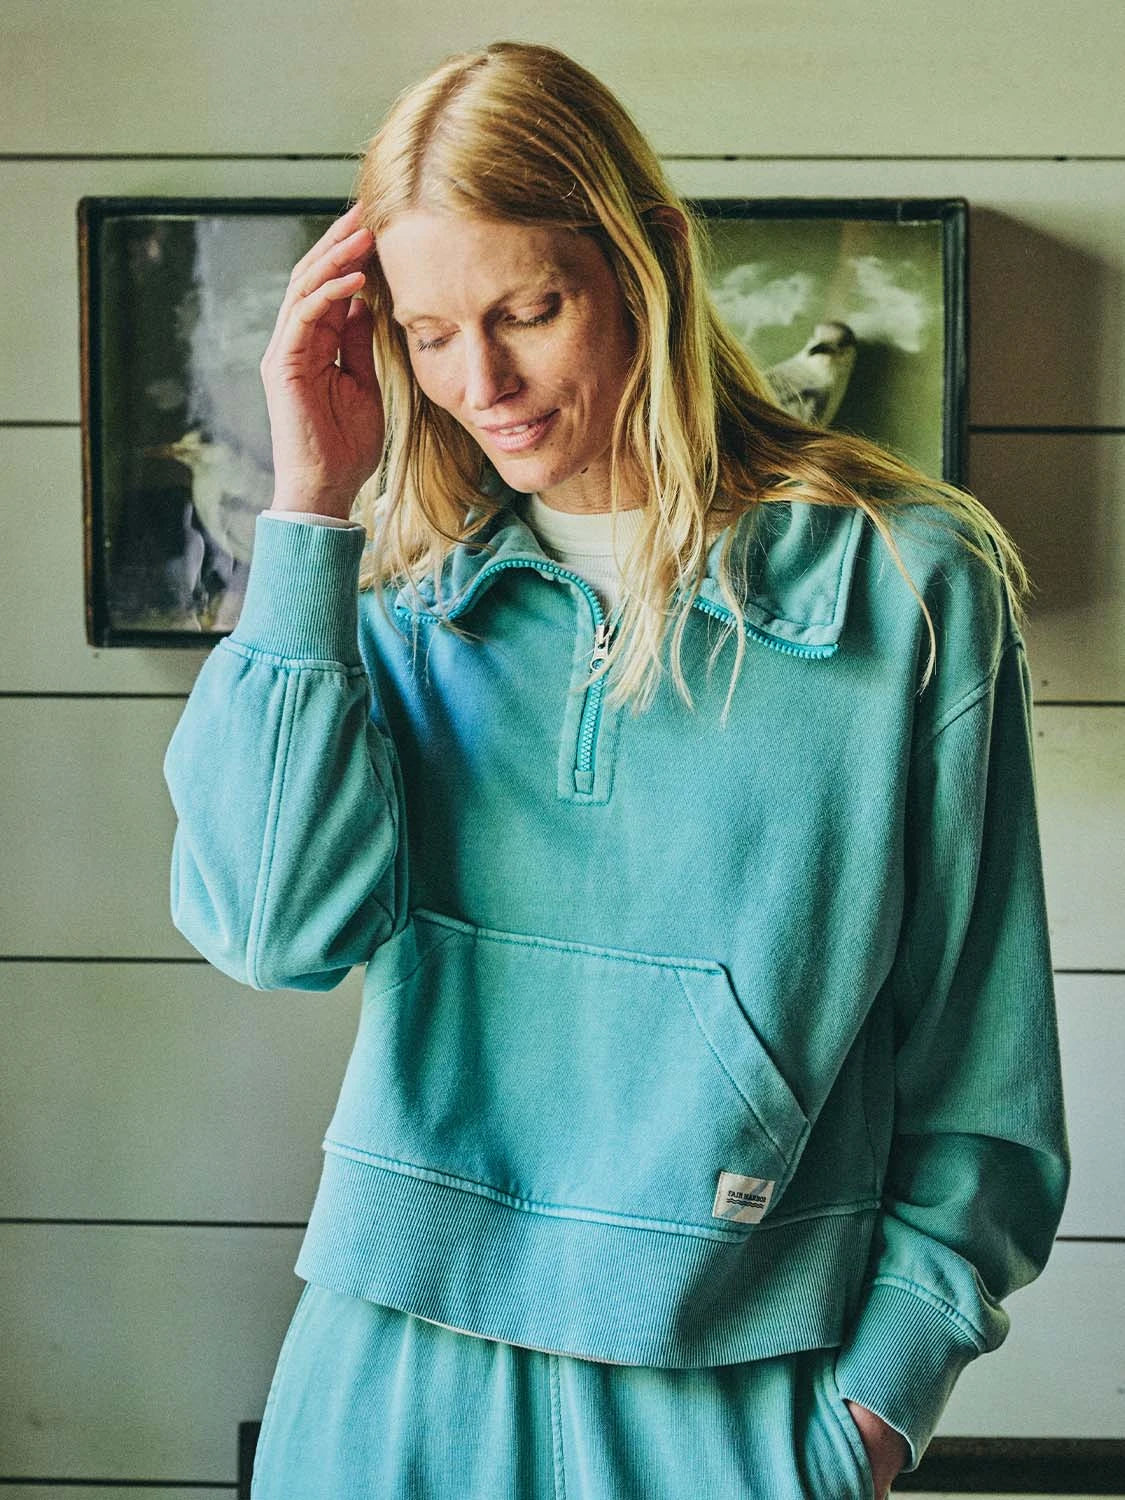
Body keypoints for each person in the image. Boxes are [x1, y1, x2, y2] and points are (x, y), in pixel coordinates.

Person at [163, 40, 1069, 1500]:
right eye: (431, 334)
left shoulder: (904, 584)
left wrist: (874, 1411)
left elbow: (982, 1061)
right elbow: (271, 931)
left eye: (528, 310)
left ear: (647, 261)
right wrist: (313, 508)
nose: (483, 383)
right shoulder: (389, 593)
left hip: (738, 1388)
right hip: (391, 1373)